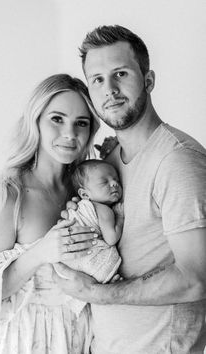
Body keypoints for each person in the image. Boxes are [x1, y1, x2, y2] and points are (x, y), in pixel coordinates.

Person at [52, 25, 206, 353]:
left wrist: (96, 293)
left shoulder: (177, 160)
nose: (110, 89)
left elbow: (197, 278)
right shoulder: (108, 161)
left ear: (148, 80)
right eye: (97, 79)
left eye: (120, 73)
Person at [0, 74, 100, 354]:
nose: (69, 133)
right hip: (23, 342)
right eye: (57, 119)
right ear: (36, 120)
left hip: (78, 338)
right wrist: (40, 252)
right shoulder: (10, 197)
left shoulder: (84, 192)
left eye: (81, 123)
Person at [65, 159, 123, 284]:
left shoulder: (79, 206)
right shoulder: (103, 210)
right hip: (91, 261)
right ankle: (108, 277)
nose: (114, 183)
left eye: (117, 180)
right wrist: (120, 216)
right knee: (109, 255)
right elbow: (112, 238)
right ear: (85, 194)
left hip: (70, 262)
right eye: (104, 182)